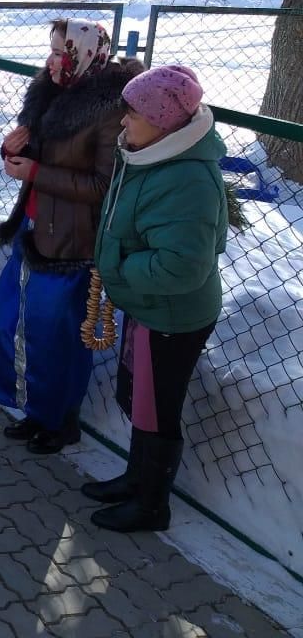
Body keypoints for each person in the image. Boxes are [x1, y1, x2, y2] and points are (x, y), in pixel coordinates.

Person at [0, 19, 141, 454]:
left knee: (61, 339)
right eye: (51, 51)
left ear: (86, 57)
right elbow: (39, 155)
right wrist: (14, 151)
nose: (52, 61)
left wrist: (36, 171)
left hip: (75, 242)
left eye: (61, 53)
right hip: (37, 231)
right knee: (19, 326)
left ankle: (61, 420)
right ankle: (36, 411)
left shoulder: (111, 110)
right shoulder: (51, 93)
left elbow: (102, 185)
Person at [85, 65, 229, 533]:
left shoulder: (186, 180)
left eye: (133, 114)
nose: (123, 123)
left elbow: (183, 266)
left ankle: (152, 506)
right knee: (143, 400)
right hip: (148, 304)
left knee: (158, 406)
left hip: (172, 312)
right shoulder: (149, 155)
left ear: (164, 122)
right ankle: (135, 479)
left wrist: (121, 269)